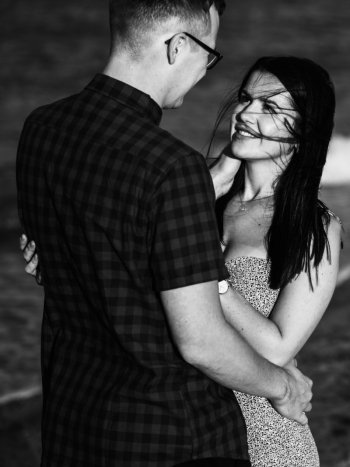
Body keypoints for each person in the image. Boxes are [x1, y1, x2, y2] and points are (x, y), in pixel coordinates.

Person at [15, 1, 312, 466]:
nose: (205, 74)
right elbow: (200, 341)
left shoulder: (41, 129)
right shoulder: (170, 167)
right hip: (170, 435)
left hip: (72, 420)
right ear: (178, 46)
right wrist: (284, 386)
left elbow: (88, 252)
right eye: (208, 56)